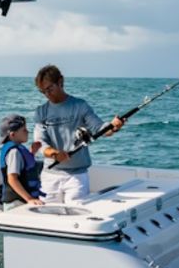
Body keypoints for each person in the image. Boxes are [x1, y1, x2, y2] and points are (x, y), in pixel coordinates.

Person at [32, 64, 123, 204]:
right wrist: (55, 154)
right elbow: (40, 142)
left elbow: (99, 128)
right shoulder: (41, 111)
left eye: (50, 89)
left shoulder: (80, 106)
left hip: (77, 177)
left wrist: (113, 126)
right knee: (47, 213)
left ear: (60, 82)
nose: (47, 94)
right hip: (49, 176)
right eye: (43, 91)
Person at [0, 114, 43, 210]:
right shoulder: (14, 152)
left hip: (22, 201)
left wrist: (32, 152)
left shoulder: (17, 149)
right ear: (13, 135)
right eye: (24, 130)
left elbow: (24, 167)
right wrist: (29, 199)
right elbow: (12, 179)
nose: (27, 132)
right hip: (16, 203)